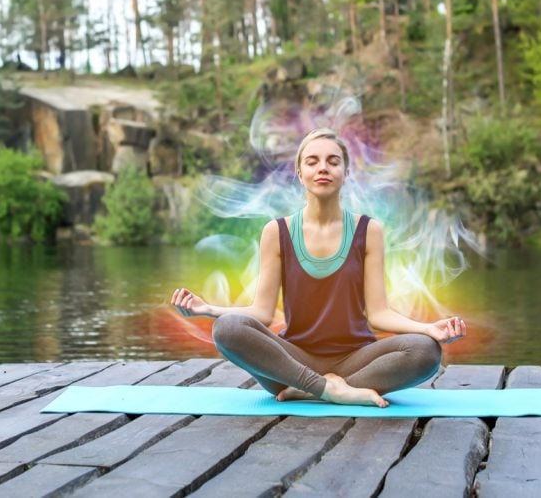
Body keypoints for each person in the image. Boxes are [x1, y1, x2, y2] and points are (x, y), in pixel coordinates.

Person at [171, 128, 467, 406]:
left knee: (426, 351)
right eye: (312, 162)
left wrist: (428, 328)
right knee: (227, 328)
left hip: (357, 359)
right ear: (300, 173)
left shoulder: (369, 231)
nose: (323, 168)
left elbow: (379, 315)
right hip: (292, 362)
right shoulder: (277, 232)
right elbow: (261, 313)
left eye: (333, 161)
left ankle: (319, 390)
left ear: (345, 172)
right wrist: (207, 310)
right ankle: (330, 390)